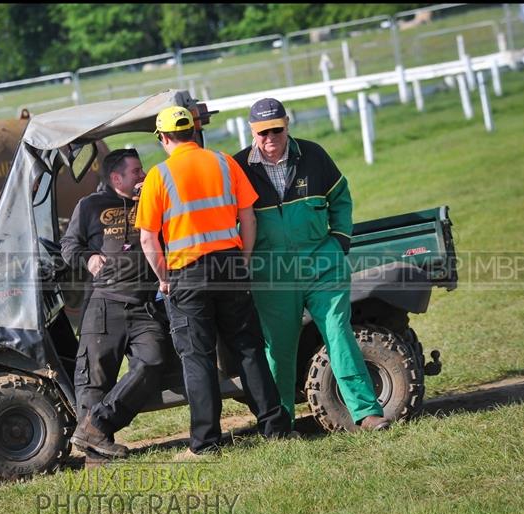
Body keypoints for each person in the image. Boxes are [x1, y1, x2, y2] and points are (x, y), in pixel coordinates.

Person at [135, 106, 293, 458]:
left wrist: (164, 278)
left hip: (187, 274)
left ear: (163, 139)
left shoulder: (159, 176)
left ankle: (206, 444)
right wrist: (244, 260)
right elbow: (247, 217)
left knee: (198, 358)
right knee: (248, 348)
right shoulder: (224, 162)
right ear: (193, 131)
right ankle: (275, 427)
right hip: (231, 265)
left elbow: (148, 239)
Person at [233, 97, 390, 432]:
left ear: (287, 124)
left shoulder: (314, 155)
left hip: (323, 264)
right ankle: (280, 424)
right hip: (271, 274)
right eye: (262, 133)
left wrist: (339, 242)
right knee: (279, 349)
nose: (270, 139)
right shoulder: (238, 168)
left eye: (276, 130)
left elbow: (341, 198)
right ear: (251, 131)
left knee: (339, 335)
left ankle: (367, 412)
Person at [60, 148, 169, 459]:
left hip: (145, 304)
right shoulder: (90, 205)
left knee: (153, 360)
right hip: (105, 303)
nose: (143, 174)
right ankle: (97, 455)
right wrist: (88, 257)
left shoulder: (151, 200)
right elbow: (69, 246)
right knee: (95, 379)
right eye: (136, 171)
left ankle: (97, 425)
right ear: (116, 177)